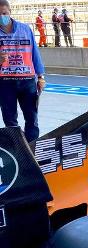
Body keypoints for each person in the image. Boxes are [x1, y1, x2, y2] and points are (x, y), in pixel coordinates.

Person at [0, 0, 46, 142]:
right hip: (5, 83)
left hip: (27, 81)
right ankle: (19, 149)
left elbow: (35, 53)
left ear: (10, 12)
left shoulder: (25, 29)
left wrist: (40, 76)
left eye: (4, 13)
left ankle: (32, 147)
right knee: (10, 120)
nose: (2, 16)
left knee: (32, 118)